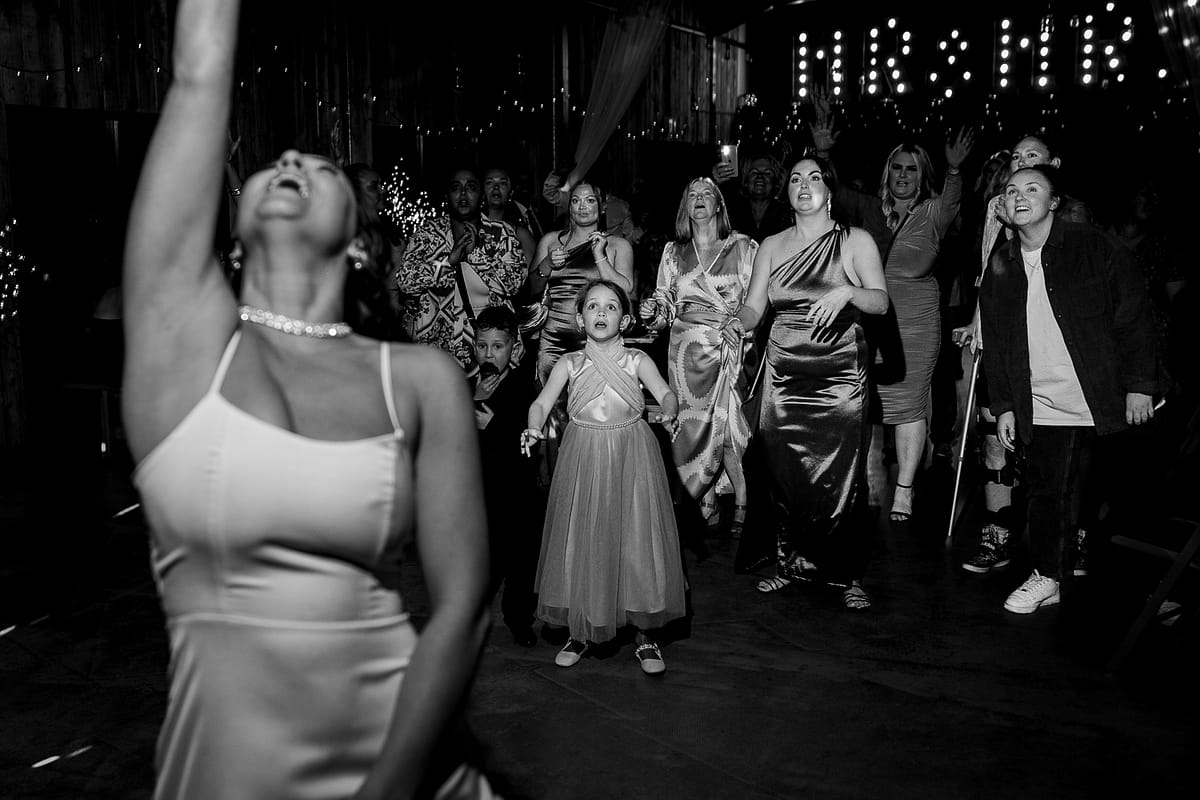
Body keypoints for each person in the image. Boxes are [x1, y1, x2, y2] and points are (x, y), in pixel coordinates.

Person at [121, 2, 494, 797]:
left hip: (411, 767)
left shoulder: (421, 378)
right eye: (275, 160)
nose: (292, 157)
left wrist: (390, 787)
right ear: (235, 221)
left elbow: (463, 605)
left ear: (359, 241)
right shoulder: (181, 349)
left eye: (322, 168)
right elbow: (198, 72)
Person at [979, 165, 1161, 614]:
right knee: (1047, 492)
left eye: (1032, 188)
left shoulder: (1093, 245)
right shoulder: (1001, 263)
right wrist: (1004, 405)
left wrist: (1140, 384)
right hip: (1044, 400)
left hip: (1108, 396)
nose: (1020, 197)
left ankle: (1159, 590)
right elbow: (999, 342)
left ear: (1054, 202)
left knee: (1129, 497)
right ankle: (1047, 575)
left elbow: (1134, 313)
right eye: (1011, 190)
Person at [736, 156, 889, 610]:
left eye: (814, 177)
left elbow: (880, 302)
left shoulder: (854, 240)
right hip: (783, 372)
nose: (803, 186)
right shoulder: (771, 244)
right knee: (785, 473)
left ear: (830, 188)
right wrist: (734, 322)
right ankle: (791, 565)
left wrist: (847, 291)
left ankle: (848, 575)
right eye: (796, 179)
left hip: (840, 373)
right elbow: (755, 308)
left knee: (842, 477)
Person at [521, 280, 687, 674]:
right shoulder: (570, 363)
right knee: (584, 535)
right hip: (583, 454)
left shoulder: (636, 360)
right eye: (592, 306)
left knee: (636, 536)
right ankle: (581, 628)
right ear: (580, 318)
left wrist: (670, 409)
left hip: (632, 453)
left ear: (625, 319)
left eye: (610, 307)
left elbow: (666, 393)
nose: (600, 313)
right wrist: (533, 426)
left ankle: (646, 636)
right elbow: (542, 402)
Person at [816, 121, 975, 523]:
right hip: (869, 316)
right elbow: (831, 192)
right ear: (888, 172)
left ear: (923, 176)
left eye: (912, 169)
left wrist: (955, 169)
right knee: (864, 402)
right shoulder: (870, 209)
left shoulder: (933, 213)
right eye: (897, 168)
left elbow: (954, 199)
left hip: (917, 319)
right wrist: (822, 154)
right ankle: (858, 483)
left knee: (909, 402)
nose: (903, 175)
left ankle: (904, 487)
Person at [639, 177, 758, 536]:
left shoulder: (743, 246)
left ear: (720, 205)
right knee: (693, 429)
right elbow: (665, 304)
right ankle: (704, 500)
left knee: (730, 428)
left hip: (729, 349)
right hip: (686, 355)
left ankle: (743, 499)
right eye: (693, 195)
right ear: (685, 207)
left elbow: (756, 301)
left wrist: (740, 326)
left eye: (708, 194)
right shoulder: (673, 253)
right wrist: (651, 311)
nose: (701, 199)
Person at [395, 165, 528, 372]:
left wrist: (476, 254)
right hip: (435, 353)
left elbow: (514, 284)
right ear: (447, 195)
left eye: (471, 187)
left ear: (481, 194)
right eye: (456, 187)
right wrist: (447, 263)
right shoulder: (427, 234)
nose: (464, 194)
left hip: (489, 353)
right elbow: (405, 282)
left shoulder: (502, 234)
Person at [473, 305, 543, 647]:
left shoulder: (523, 389)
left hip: (517, 497)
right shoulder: (466, 386)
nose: (489, 354)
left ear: (513, 348)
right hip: (480, 495)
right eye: (482, 345)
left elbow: (527, 447)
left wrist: (493, 426)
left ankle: (518, 620)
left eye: (497, 346)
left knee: (519, 565)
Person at [525, 180, 635, 386]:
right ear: (569, 207)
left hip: (598, 339)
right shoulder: (550, 241)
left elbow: (625, 290)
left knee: (596, 409)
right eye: (576, 201)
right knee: (553, 409)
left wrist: (599, 256)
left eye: (589, 200)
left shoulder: (618, 245)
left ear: (601, 206)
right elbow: (532, 289)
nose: (582, 206)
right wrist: (547, 263)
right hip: (553, 341)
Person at [712, 152, 793, 244]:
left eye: (767, 173)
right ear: (746, 181)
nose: (760, 176)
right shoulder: (732, 210)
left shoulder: (786, 213)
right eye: (754, 172)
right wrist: (713, 182)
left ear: (775, 182)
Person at [482, 165, 540, 268]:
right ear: (482, 191)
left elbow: (535, 279)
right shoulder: (469, 230)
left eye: (502, 183)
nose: (496, 187)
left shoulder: (522, 236)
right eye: (490, 183)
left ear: (511, 192)